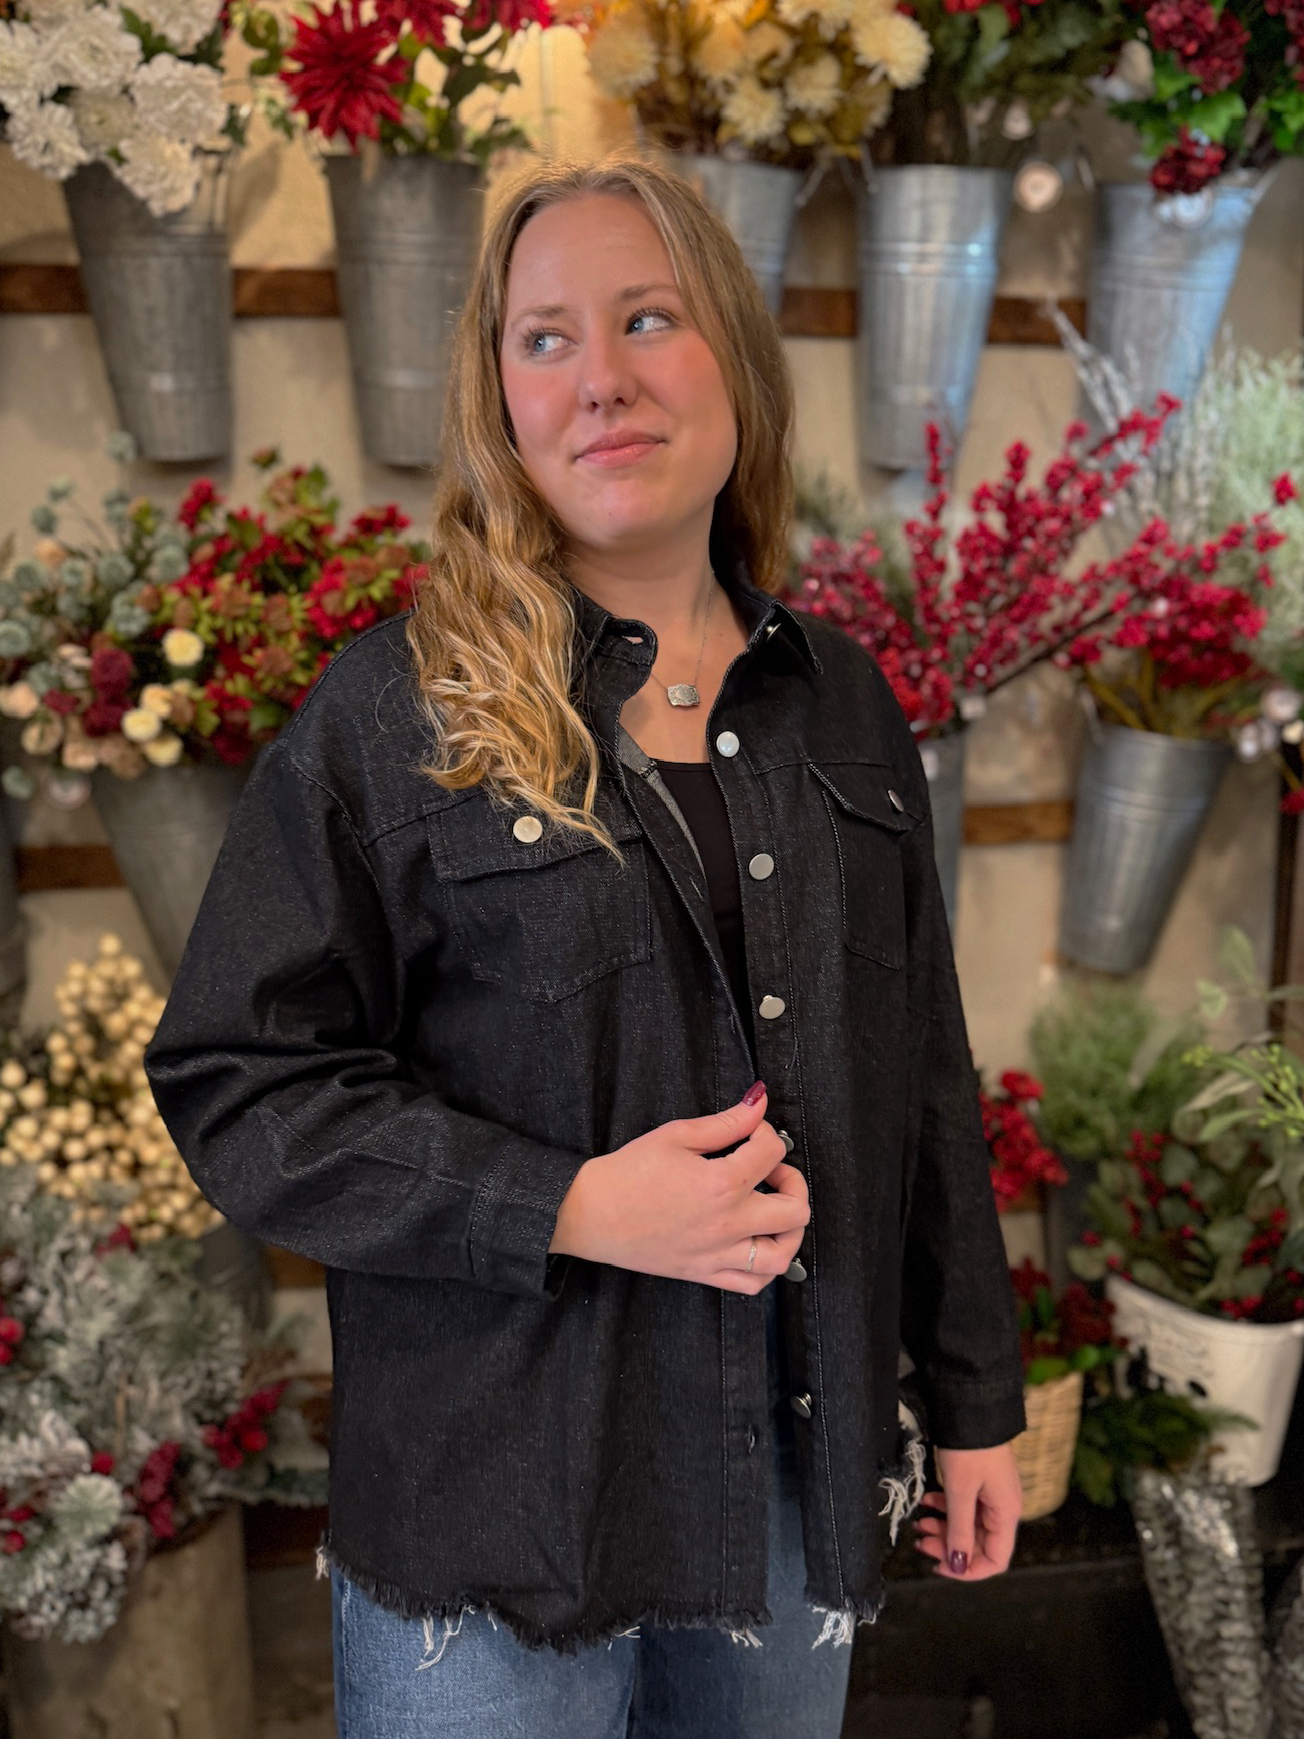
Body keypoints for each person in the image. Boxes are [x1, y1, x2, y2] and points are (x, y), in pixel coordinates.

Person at [143, 152, 1025, 1739]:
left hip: (782, 1490)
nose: (601, 380)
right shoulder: (394, 714)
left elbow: (925, 1086)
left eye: (647, 319)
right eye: (545, 338)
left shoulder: (844, 705)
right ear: (497, 395)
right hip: (498, 1522)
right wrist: (566, 1205)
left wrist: (972, 1406)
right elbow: (239, 1081)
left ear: (735, 365)